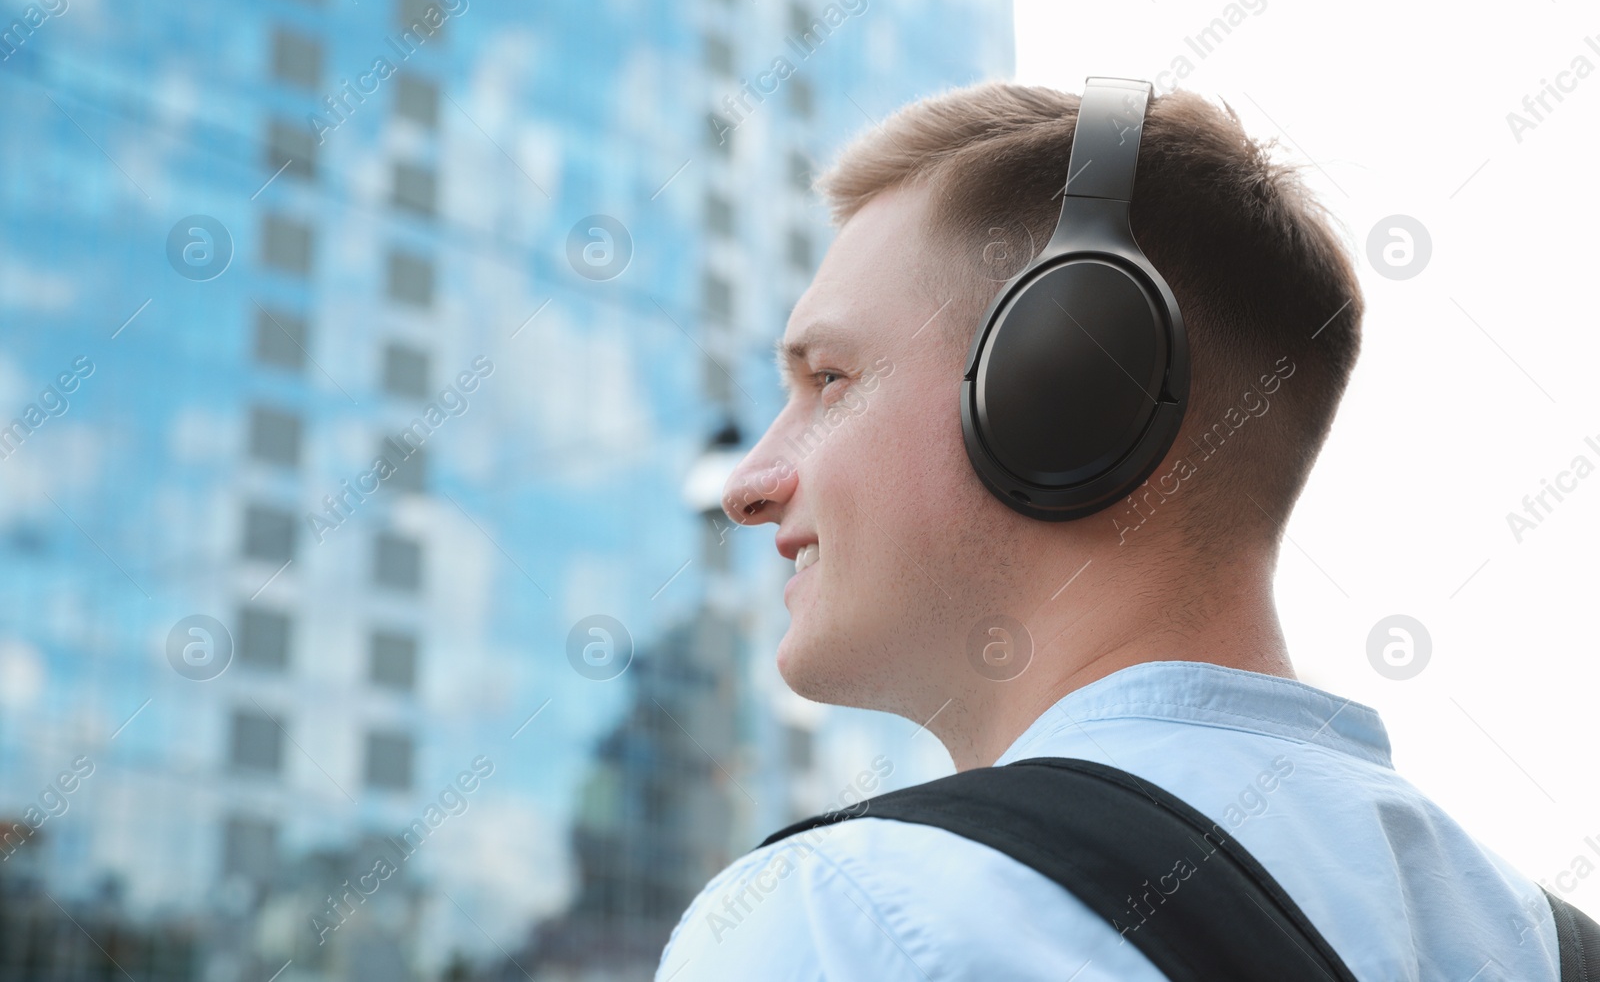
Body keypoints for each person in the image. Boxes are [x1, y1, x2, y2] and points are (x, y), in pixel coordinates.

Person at [655, 82, 1562, 980]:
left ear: (1069, 390)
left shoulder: (849, 917)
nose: (749, 486)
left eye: (830, 379)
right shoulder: (1547, 940)